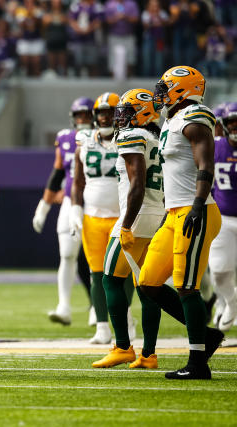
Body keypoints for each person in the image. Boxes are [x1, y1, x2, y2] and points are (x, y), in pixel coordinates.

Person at [139, 65, 224, 379]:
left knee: (187, 287)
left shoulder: (194, 118)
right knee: (148, 283)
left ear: (182, 89)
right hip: (173, 212)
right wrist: (167, 210)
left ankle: (198, 362)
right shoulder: (172, 120)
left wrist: (199, 204)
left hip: (195, 210)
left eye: (165, 88)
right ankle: (208, 334)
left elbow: (206, 162)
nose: (160, 94)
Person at [92, 89, 164, 368]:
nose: (120, 117)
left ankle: (122, 346)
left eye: (126, 111)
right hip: (157, 214)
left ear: (143, 112)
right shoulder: (156, 138)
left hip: (137, 214)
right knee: (147, 286)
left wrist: (125, 223)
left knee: (109, 279)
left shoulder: (132, 137)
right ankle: (149, 354)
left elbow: (137, 185)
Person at [72, 92, 131, 344]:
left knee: (123, 273)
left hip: (121, 216)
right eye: (101, 113)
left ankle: (126, 318)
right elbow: (77, 181)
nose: (105, 117)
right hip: (92, 216)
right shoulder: (85, 140)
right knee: (96, 273)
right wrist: (75, 208)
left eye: (110, 112)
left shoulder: (129, 139)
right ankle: (102, 327)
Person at [33, 97, 96, 326]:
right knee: (67, 255)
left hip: (98, 203)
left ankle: (98, 310)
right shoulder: (65, 138)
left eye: (87, 115)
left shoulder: (105, 139)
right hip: (71, 202)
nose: (83, 120)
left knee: (95, 260)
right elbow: (57, 174)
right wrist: (44, 207)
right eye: (79, 115)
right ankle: (64, 306)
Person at [208, 101, 237, 331]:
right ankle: (231, 302)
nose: (235, 127)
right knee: (218, 272)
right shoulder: (215, 146)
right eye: (231, 123)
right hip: (223, 218)